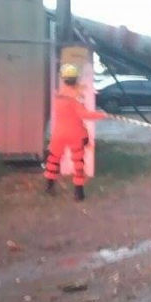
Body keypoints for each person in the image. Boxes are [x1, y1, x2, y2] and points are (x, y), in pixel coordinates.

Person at [44, 63, 108, 201]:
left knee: (53, 160)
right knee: (78, 163)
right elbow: (84, 115)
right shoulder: (76, 97)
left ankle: (49, 187)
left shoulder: (58, 94)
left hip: (59, 134)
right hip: (75, 133)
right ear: (75, 79)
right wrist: (101, 115)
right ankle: (79, 193)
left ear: (63, 78)